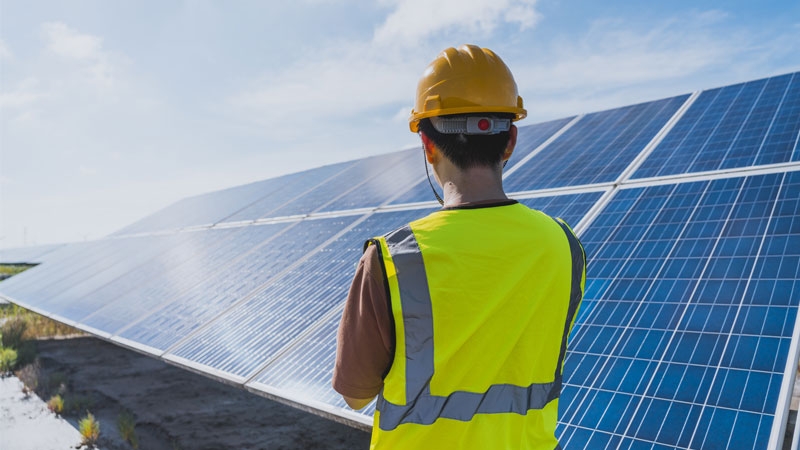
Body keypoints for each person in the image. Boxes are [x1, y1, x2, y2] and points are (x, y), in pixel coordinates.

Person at [332, 44, 586, 450]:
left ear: (428, 146)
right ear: (511, 141)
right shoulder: (565, 246)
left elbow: (355, 394)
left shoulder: (391, 259)